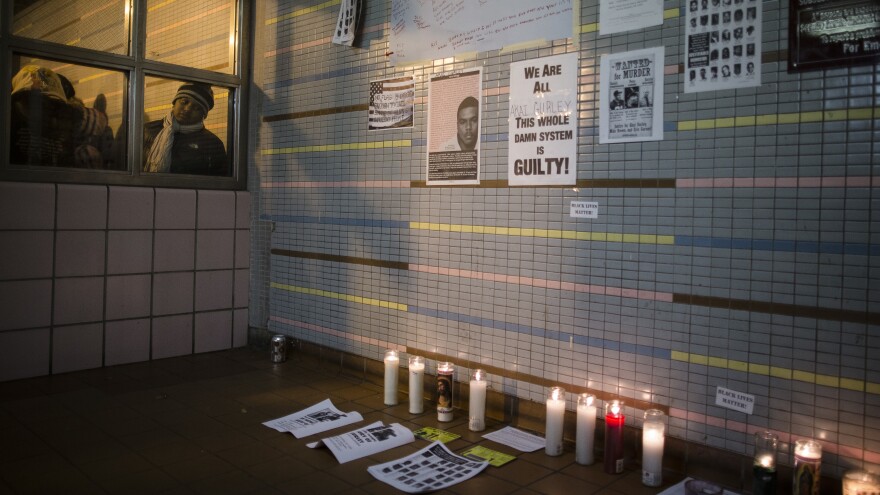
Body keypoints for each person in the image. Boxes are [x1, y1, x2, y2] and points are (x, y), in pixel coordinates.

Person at [143, 82, 228, 175]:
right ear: (174, 103)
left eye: (196, 108)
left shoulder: (211, 143)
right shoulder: (147, 130)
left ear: (203, 115)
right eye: (184, 102)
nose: (187, 109)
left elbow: (218, 180)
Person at [9, 65, 79, 167]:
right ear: (18, 100)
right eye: (34, 100)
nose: (46, 107)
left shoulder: (56, 129)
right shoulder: (9, 127)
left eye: (53, 103)